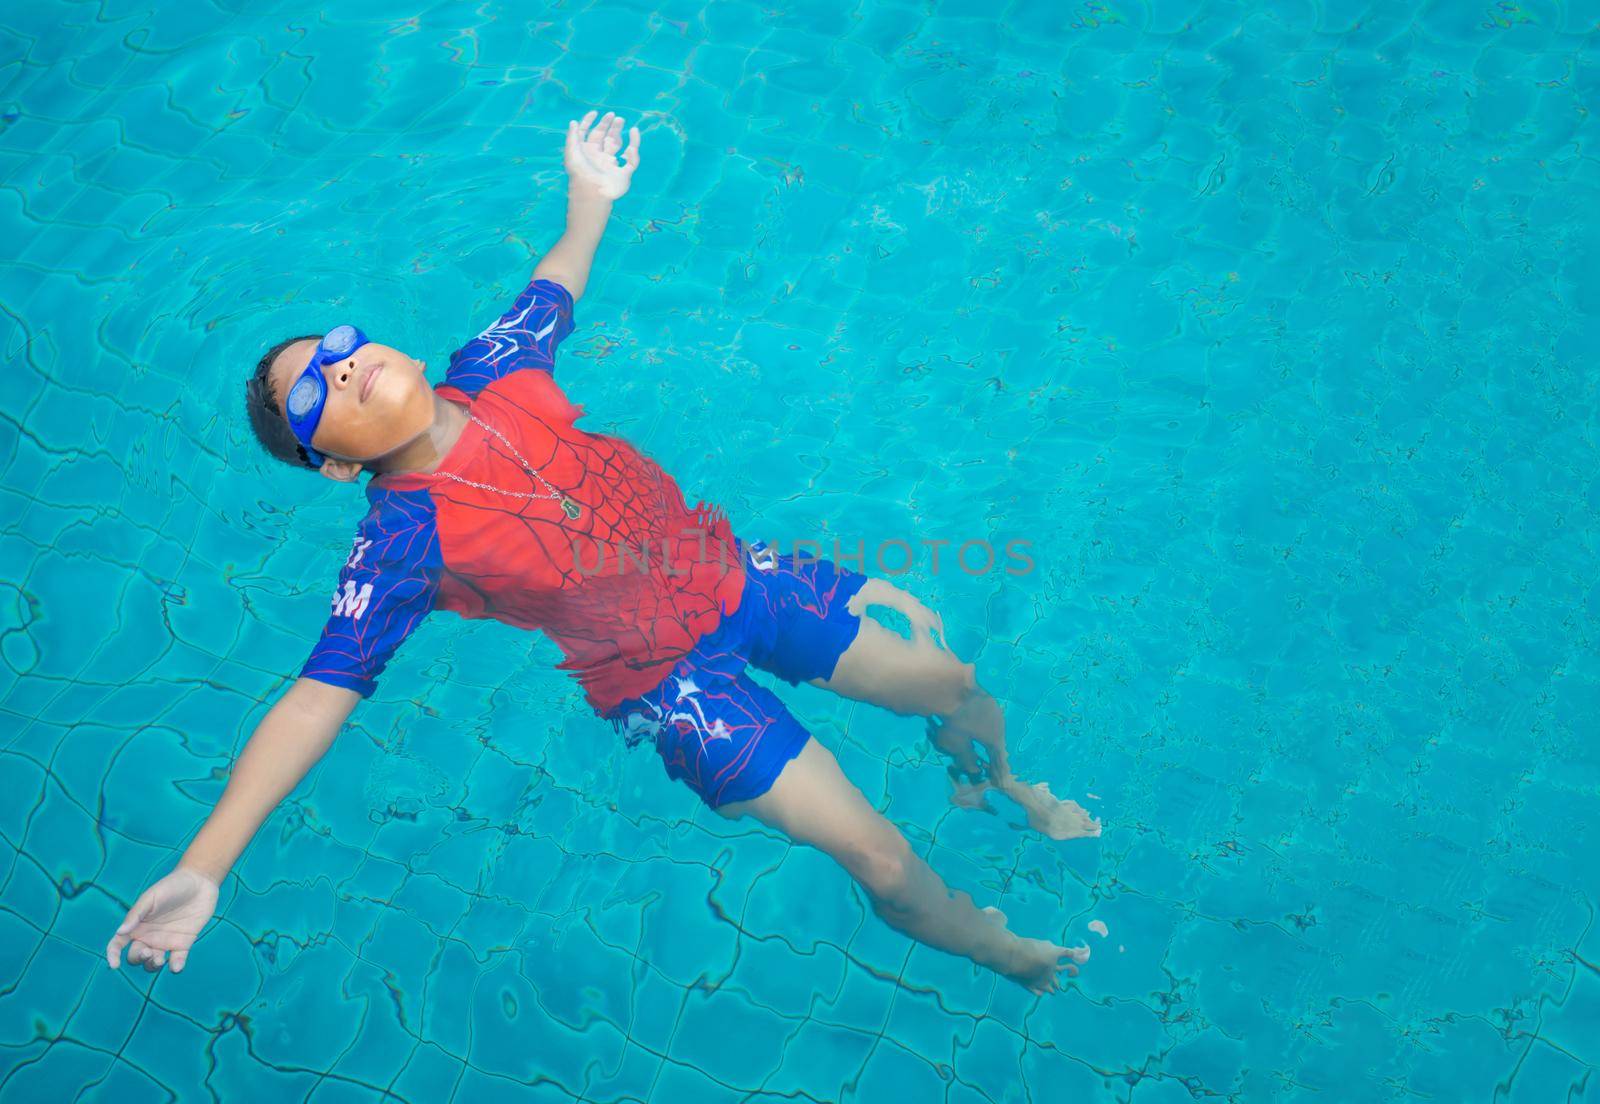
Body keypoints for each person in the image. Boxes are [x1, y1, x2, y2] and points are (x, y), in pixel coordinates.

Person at [103, 109, 1101, 996]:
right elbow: (314, 698)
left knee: (953, 683)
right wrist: (207, 862)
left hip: (735, 576)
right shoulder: (396, 548)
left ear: (391, 347)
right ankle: (999, 950)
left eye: (336, 344)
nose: (342, 366)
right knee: (878, 859)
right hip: (670, 686)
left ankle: (998, 781)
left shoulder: (495, 367)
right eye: (313, 393)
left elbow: (557, 277)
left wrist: (590, 197)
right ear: (330, 466)